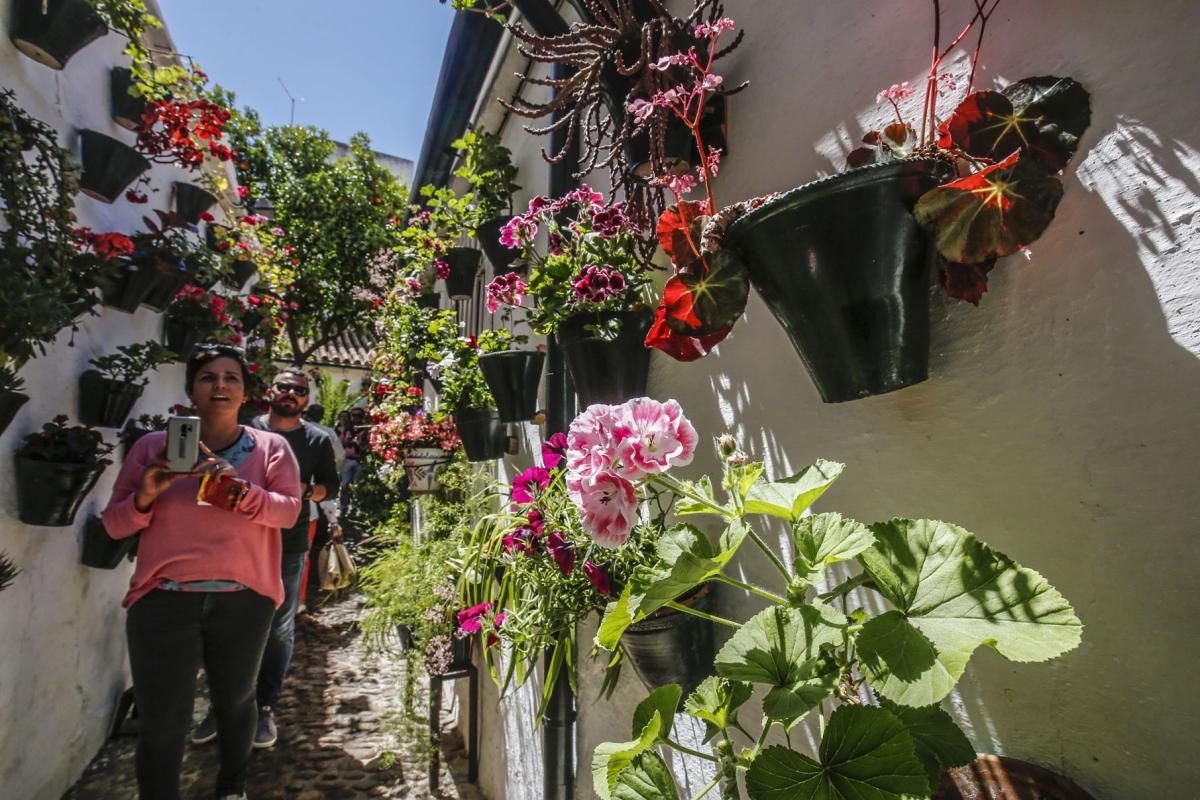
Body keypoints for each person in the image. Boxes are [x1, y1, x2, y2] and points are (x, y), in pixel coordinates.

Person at [102, 344, 302, 800]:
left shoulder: (271, 449)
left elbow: (288, 513)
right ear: (190, 390)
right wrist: (146, 496)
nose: (220, 385)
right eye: (209, 377)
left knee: (234, 702)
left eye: (231, 377)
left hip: (243, 599)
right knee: (161, 719)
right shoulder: (152, 448)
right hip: (163, 599)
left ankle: (232, 788)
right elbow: (114, 524)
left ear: (246, 392)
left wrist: (236, 491)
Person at [194, 368, 339, 750]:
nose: (292, 394)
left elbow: (331, 488)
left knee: (278, 626)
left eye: (300, 390)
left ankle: (264, 705)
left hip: (288, 544)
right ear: (270, 391)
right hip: (235, 539)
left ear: (306, 399)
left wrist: (303, 492)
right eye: (285, 387)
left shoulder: (317, 440)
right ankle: (221, 704)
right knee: (223, 623)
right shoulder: (243, 429)